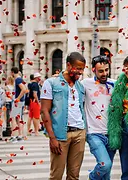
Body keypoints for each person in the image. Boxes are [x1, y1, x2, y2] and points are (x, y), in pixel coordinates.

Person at [41, 52, 86, 180]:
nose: (80, 72)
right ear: (68, 65)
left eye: (82, 69)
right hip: (60, 135)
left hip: (79, 133)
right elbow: (44, 111)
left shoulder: (80, 86)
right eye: (77, 68)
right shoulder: (51, 83)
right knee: (56, 175)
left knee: (74, 176)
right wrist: (52, 138)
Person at [81, 55, 116, 180]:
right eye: (101, 71)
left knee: (107, 173)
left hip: (112, 134)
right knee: (105, 165)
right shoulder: (85, 84)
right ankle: (92, 177)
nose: (104, 73)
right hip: (94, 133)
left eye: (107, 70)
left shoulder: (114, 84)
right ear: (93, 70)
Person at [9, 67, 27, 143]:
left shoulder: (17, 79)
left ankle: (13, 136)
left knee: (13, 118)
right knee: (18, 118)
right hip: (20, 101)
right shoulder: (19, 79)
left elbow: (24, 89)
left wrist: (18, 98)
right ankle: (20, 136)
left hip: (18, 102)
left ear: (12, 72)